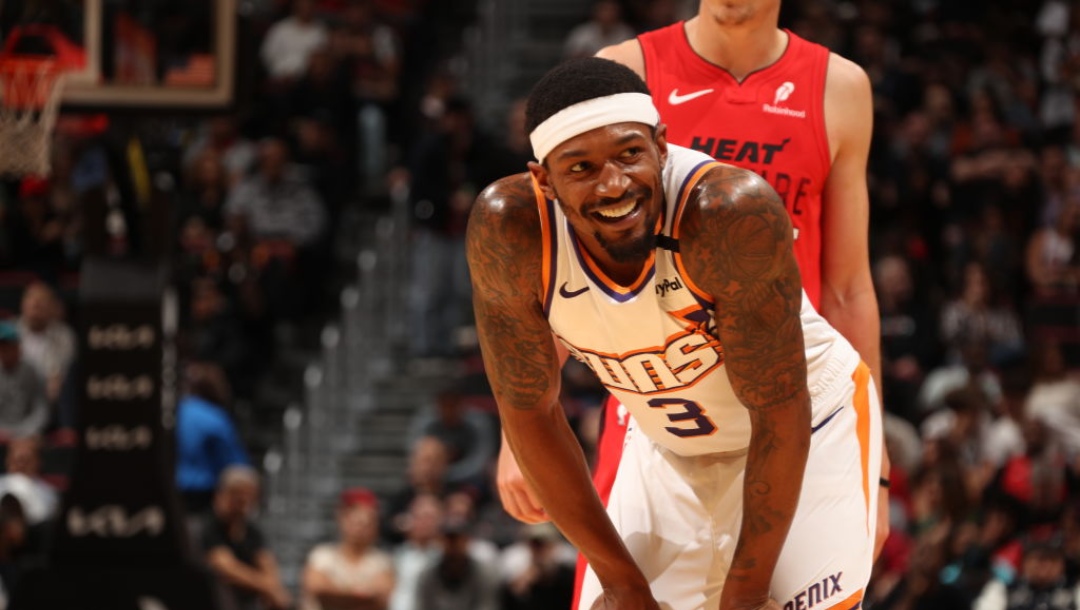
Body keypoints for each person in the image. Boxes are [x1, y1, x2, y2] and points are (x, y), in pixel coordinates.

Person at [467, 57, 883, 610]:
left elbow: (781, 410)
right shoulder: (508, 229)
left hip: (806, 429)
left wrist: (747, 591)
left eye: (629, 154)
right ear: (543, 180)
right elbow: (529, 412)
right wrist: (621, 582)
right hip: (667, 448)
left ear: (662, 146)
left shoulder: (726, 212)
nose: (614, 184)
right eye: (581, 168)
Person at [200, 465, 292, 610]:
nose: (242, 503)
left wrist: (274, 589)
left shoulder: (253, 532)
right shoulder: (207, 527)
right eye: (236, 495)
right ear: (221, 495)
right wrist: (267, 587)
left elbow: (267, 563)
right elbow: (226, 568)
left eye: (248, 497)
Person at [301, 488, 395, 610]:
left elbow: (382, 597)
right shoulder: (321, 556)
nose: (360, 529)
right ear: (342, 519)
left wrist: (338, 594)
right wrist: (363, 595)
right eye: (356, 522)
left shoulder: (382, 561)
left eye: (367, 523)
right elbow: (318, 589)